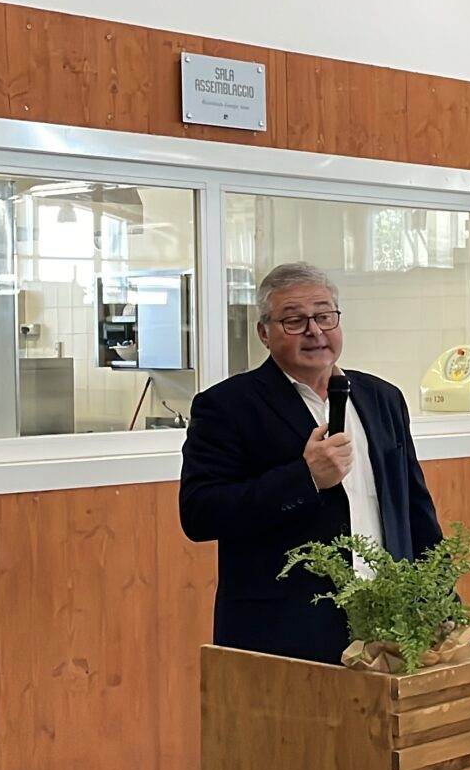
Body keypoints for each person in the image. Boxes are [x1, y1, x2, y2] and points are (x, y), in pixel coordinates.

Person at [180, 262, 445, 664]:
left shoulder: (382, 398)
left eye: (324, 316)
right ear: (264, 333)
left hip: (390, 624)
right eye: (294, 320)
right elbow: (200, 514)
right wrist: (304, 479)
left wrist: (442, 604)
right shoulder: (227, 406)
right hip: (285, 633)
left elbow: (416, 511)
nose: (315, 331)